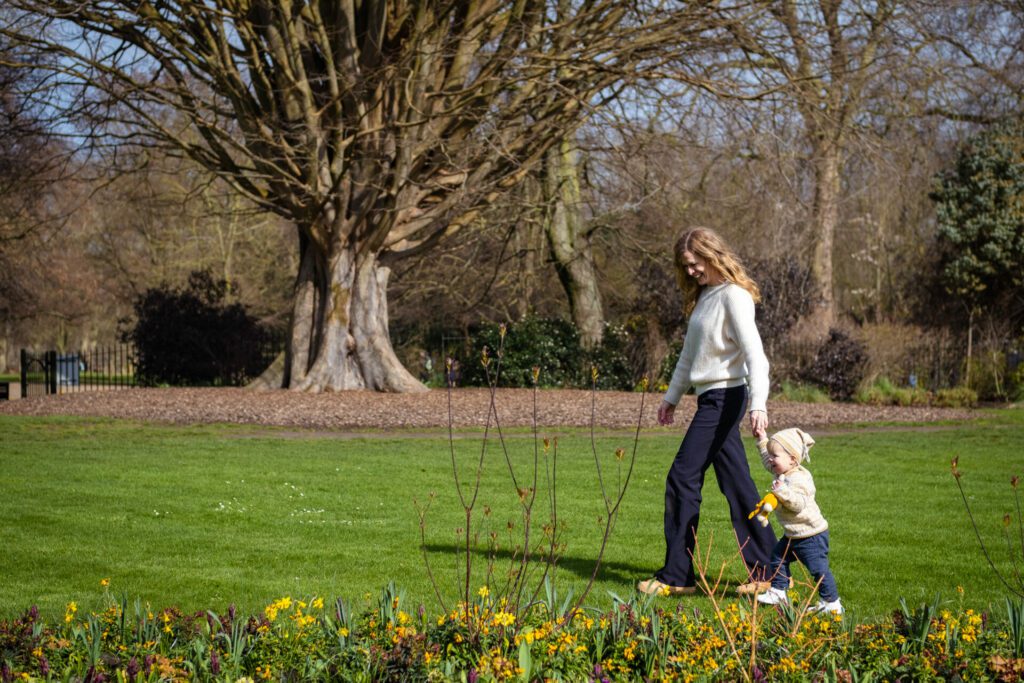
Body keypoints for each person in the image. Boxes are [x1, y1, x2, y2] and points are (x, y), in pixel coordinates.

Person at [638, 227, 777, 596]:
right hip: (711, 398)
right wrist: (671, 397)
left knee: (682, 477)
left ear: (711, 254)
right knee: (738, 486)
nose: (691, 272)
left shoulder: (734, 296)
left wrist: (759, 403)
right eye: (685, 267)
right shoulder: (705, 298)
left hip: (726, 398)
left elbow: (755, 356)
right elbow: (689, 356)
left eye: (694, 263)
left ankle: (677, 576)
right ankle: (770, 572)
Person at [754, 428, 843, 614]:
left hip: (811, 535)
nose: (770, 459)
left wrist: (781, 491)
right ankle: (778, 592)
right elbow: (766, 460)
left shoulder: (801, 479)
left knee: (818, 569)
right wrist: (762, 439)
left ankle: (832, 603)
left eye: (774, 455)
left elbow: (798, 504)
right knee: (777, 558)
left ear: (792, 459)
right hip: (793, 534)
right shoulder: (782, 469)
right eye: (770, 455)